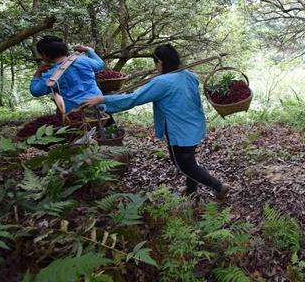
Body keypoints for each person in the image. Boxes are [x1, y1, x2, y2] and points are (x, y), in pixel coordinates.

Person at [82, 44, 229, 199]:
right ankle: (191, 191)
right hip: (194, 125)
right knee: (189, 159)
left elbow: (134, 99)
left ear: (160, 62)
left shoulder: (161, 82)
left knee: (184, 165)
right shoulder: (188, 75)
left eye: (155, 63)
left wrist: (103, 100)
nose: (155, 67)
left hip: (179, 130)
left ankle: (218, 187)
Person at [29, 36, 106, 112]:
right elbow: (100, 65)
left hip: (76, 114)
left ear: (44, 54)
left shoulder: (52, 74)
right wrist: (88, 50)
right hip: (99, 106)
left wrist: (38, 73)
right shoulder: (82, 60)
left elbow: (36, 91)